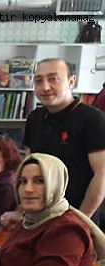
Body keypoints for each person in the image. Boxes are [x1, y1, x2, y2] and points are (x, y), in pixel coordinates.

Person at [20, 58, 105, 226]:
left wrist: (81, 220)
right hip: (40, 216)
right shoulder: (35, 118)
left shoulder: (93, 119)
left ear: (71, 82)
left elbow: (102, 175)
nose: (45, 87)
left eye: (53, 79)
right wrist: (20, 211)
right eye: (39, 81)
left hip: (80, 216)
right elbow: (27, 168)